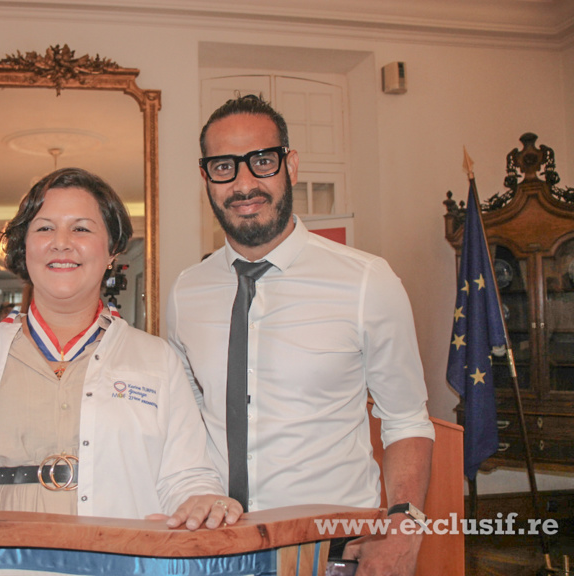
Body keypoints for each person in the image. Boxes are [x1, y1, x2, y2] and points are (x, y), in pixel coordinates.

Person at [0, 167, 240, 531]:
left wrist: (199, 496)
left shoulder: (156, 361)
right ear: (25, 246)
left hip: (115, 558)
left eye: (81, 228)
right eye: (44, 228)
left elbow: (186, 475)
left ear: (111, 249)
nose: (61, 242)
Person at [166, 95, 435, 574]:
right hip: (215, 551)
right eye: (224, 167)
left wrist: (405, 533)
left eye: (262, 161)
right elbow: (182, 418)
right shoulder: (188, 291)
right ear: (206, 177)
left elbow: (407, 419)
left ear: (290, 165)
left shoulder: (368, 282)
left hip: (332, 551)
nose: (244, 183)